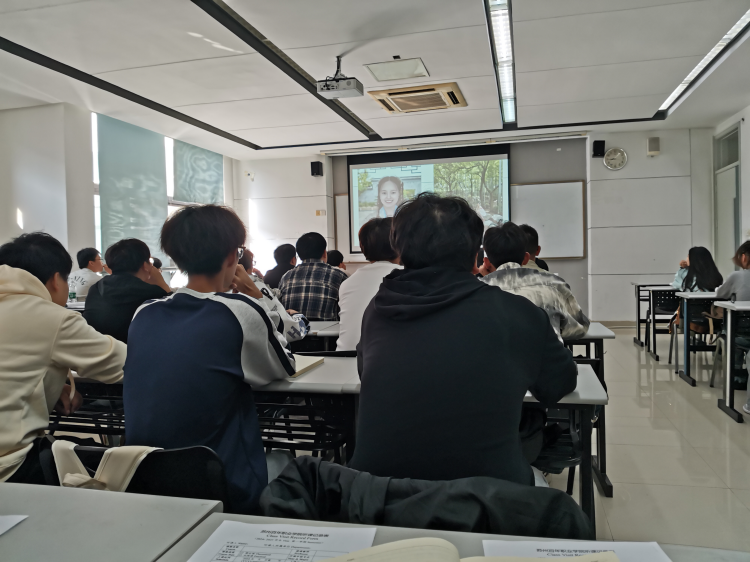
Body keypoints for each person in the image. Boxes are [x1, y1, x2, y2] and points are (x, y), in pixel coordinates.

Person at [349, 193, 577, 486]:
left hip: (377, 493)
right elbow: (559, 385)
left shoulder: (378, 310)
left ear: (400, 253)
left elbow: (366, 373)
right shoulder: (517, 313)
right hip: (486, 496)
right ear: (476, 256)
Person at [124, 205, 296, 513]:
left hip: (146, 478)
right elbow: (284, 365)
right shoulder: (239, 311)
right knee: (286, 460)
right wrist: (258, 296)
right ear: (232, 256)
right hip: (224, 486)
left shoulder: (144, 313)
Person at [0, 233, 125, 484]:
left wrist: (47, 385)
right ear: (56, 280)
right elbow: (126, 364)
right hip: (9, 465)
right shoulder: (50, 316)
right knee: (113, 468)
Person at [480, 222, 589, 340]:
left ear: (486, 262)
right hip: (546, 352)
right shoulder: (555, 285)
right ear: (526, 258)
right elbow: (579, 328)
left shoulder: (477, 291)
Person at [84, 238, 171, 343]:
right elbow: (177, 317)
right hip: (134, 351)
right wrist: (162, 285)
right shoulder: (153, 293)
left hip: (98, 350)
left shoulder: (95, 288)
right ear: (145, 265)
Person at [337, 218, 402, 351]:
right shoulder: (406, 276)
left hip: (344, 357)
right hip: (384, 359)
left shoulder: (347, 283)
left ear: (362, 247)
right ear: (400, 243)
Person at [240, 247, 309, 343]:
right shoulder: (257, 287)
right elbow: (290, 330)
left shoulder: (223, 290)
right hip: (263, 345)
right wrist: (299, 317)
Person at [279, 232, 348, 321]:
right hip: (329, 330)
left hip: (293, 329)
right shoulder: (339, 276)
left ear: (299, 256)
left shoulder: (286, 277)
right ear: (324, 253)